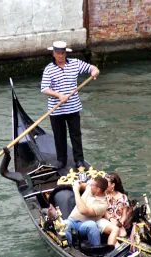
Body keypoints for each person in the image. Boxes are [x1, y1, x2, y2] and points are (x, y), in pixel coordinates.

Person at [41, 41, 100, 170]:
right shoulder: (49, 69)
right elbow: (44, 89)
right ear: (54, 54)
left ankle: (79, 160)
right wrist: (59, 96)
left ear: (65, 53)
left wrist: (95, 70)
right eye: (58, 53)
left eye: (63, 53)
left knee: (76, 135)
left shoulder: (75, 63)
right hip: (56, 110)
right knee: (59, 136)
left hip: (73, 108)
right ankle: (61, 160)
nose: (61, 56)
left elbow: (91, 68)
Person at [64, 176, 108, 247]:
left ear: (98, 189)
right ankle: (69, 248)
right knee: (64, 225)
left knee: (92, 225)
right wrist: (79, 184)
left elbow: (83, 210)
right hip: (72, 220)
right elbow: (85, 185)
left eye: (92, 185)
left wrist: (76, 191)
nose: (90, 186)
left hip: (84, 225)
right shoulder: (90, 189)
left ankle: (96, 249)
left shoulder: (102, 204)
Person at [96, 173, 129, 247]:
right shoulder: (102, 194)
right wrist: (111, 219)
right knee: (116, 230)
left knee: (123, 234)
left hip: (117, 222)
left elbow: (124, 215)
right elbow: (103, 210)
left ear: (113, 185)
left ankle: (116, 248)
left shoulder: (123, 197)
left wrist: (121, 221)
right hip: (104, 220)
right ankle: (110, 250)